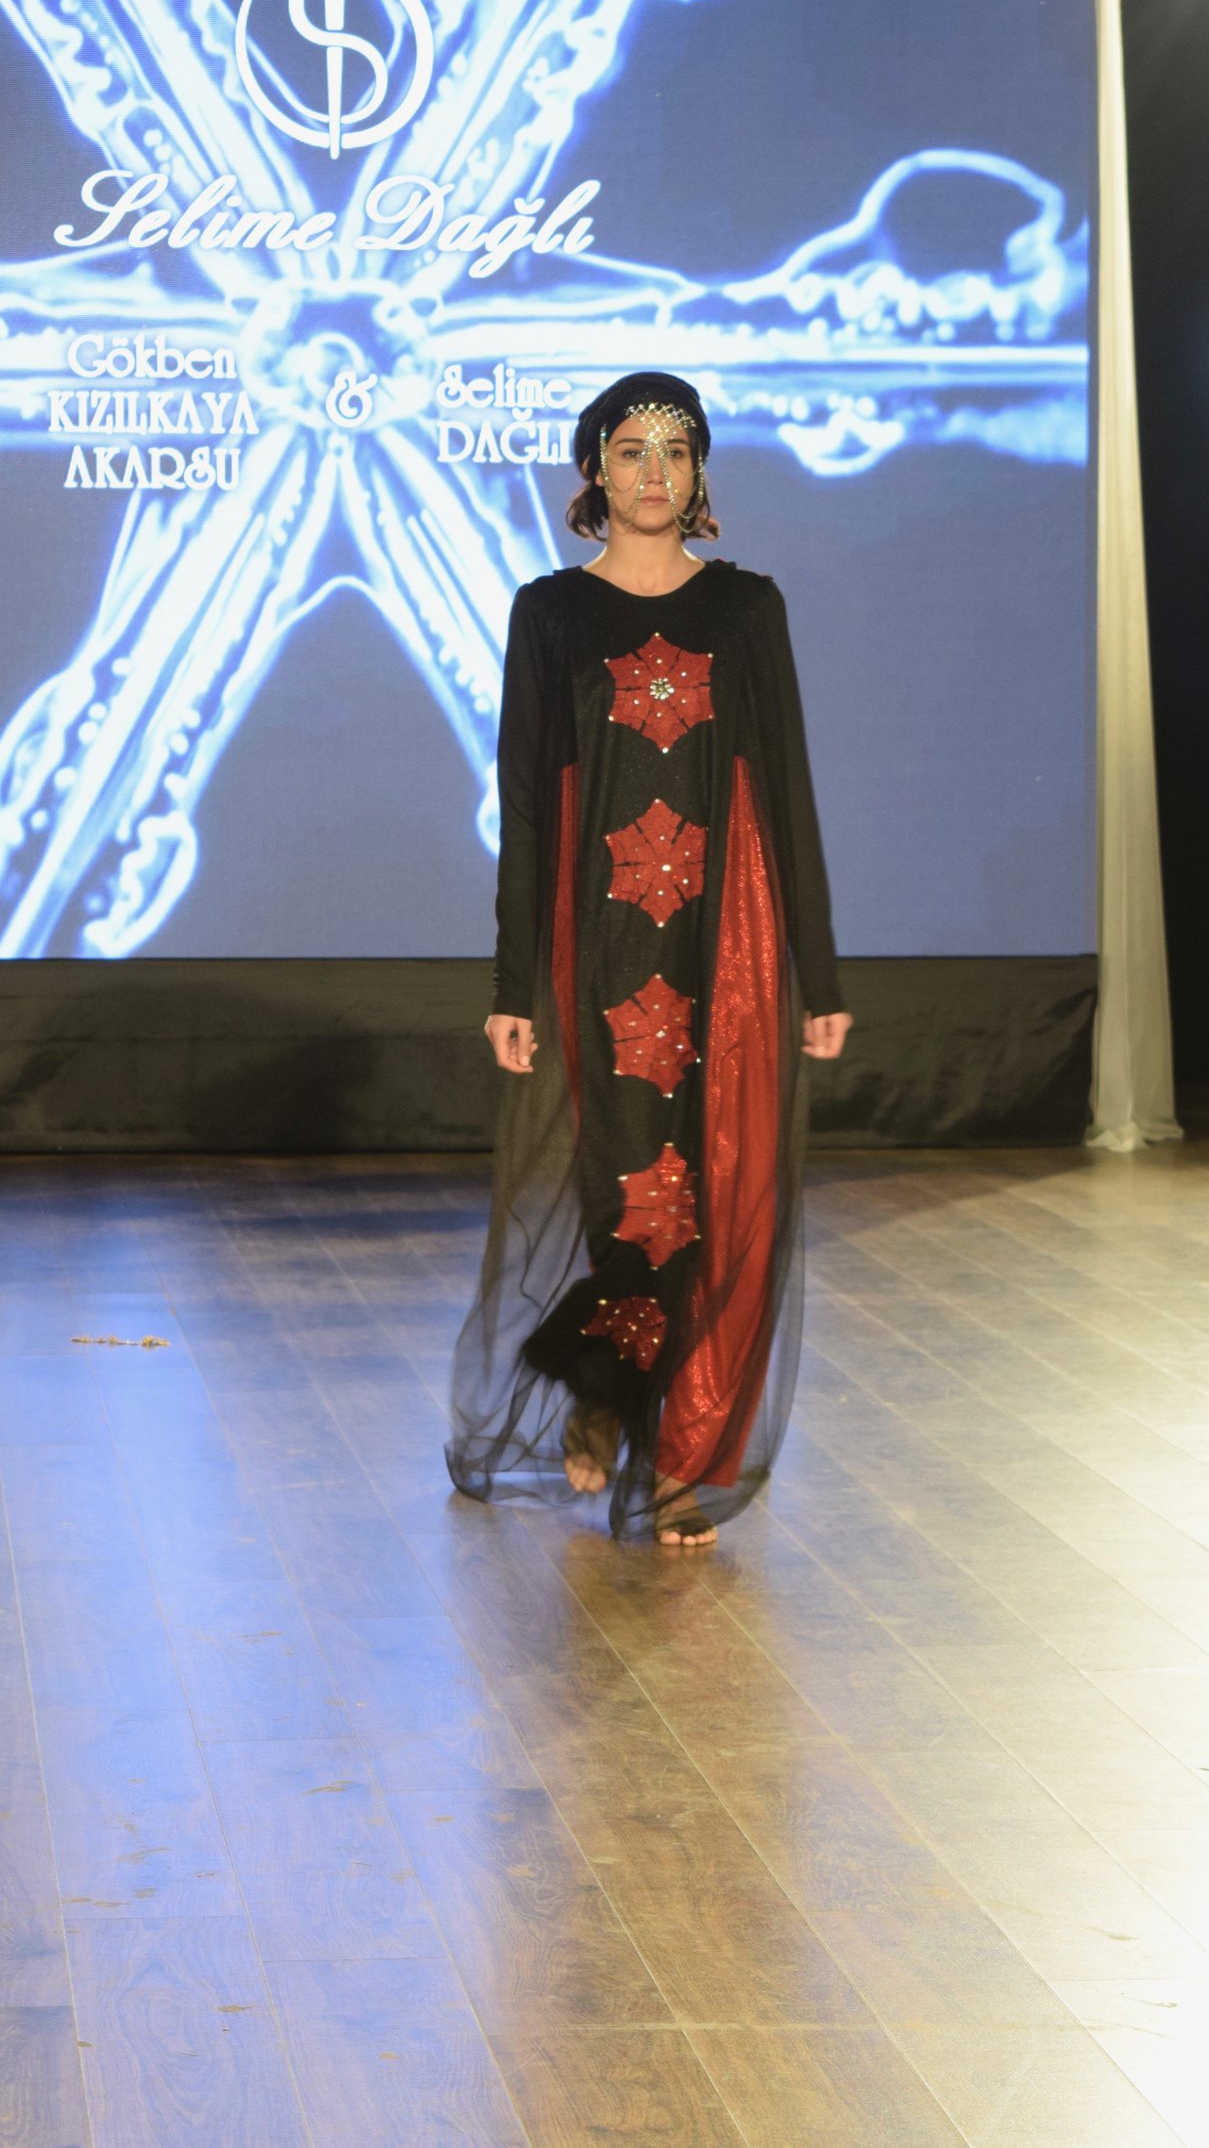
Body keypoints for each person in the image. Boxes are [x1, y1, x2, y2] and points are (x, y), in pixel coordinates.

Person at [446, 370, 852, 1547]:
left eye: (677, 452)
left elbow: (787, 789)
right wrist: (512, 985)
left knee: (724, 1192)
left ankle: (682, 1451)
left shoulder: (745, 609)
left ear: (700, 473)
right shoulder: (551, 613)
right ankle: (605, 1384)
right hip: (603, 949)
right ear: (595, 472)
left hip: (732, 943)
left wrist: (818, 975)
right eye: (631, 450)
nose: (655, 472)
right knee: (633, 1196)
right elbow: (527, 803)